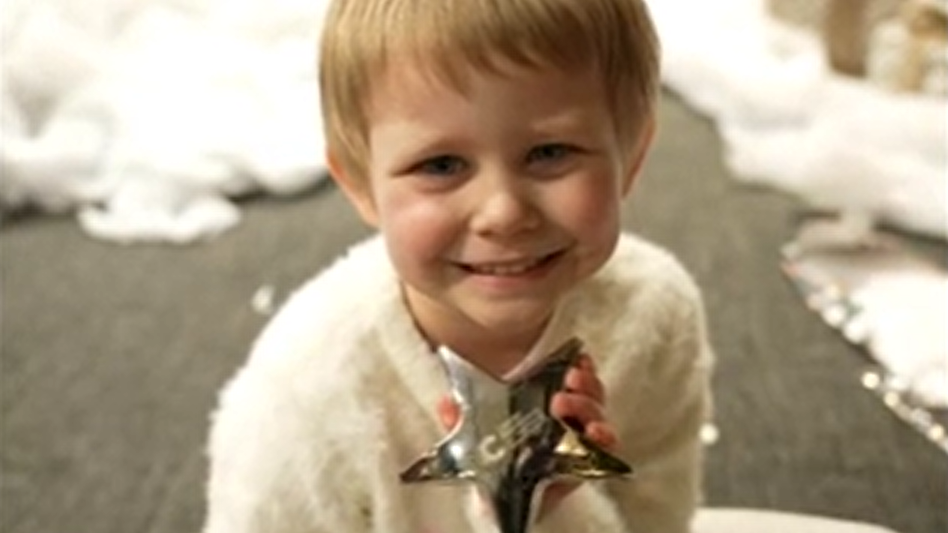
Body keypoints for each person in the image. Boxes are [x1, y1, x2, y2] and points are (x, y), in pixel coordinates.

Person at [202, 0, 713, 531]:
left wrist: (541, 510)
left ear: (631, 156)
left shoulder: (654, 315)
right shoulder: (303, 394)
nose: (504, 213)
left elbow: (660, 519)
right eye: (440, 165)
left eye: (550, 152)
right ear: (359, 184)